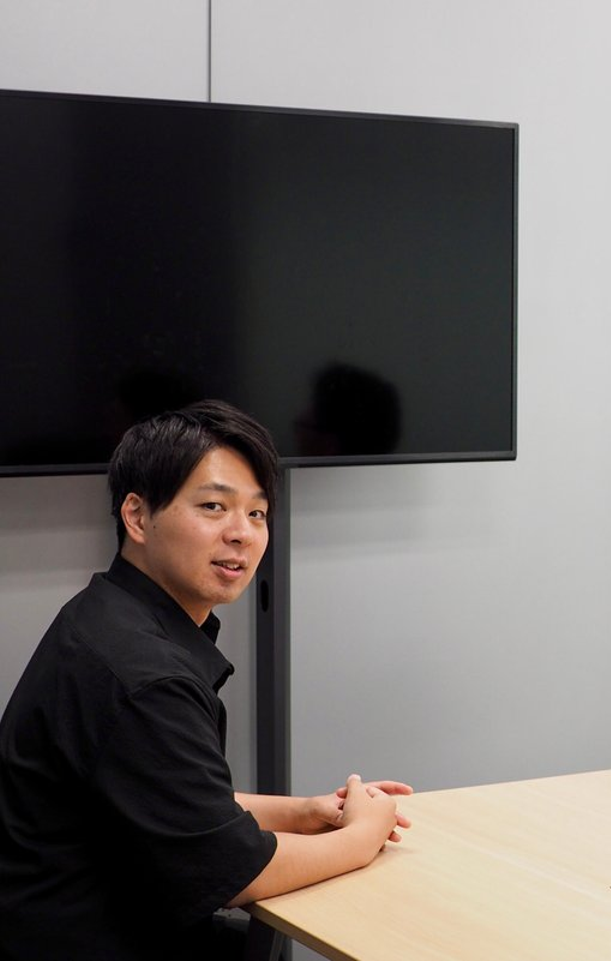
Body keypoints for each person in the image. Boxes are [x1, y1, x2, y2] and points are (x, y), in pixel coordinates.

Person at [0, 401, 412, 961]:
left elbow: (170, 803)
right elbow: (234, 870)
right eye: (214, 507)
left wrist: (306, 812)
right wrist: (363, 835)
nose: (242, 534)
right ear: (137, 517)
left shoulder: (104, 614)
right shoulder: (142, 674)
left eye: (257, 513)